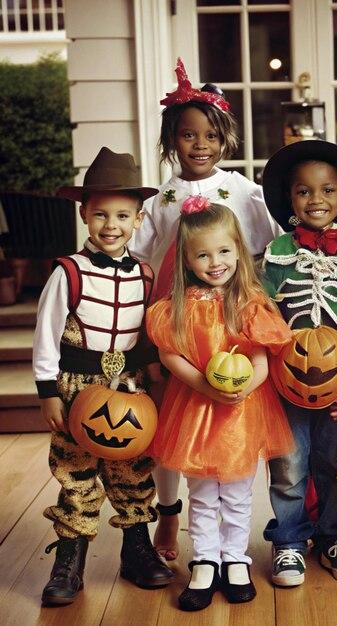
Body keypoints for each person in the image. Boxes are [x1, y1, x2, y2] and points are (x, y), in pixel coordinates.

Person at [132, 58, 281, 561]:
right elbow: (142, 261)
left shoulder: (242, 190)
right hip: (174, 323)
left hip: (228, 325)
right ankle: (170, 516)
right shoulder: (159, 199)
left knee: (222, 427)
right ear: (171, 139)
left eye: (210, 135)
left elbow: (258, 251)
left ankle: (228, 546)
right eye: (188, 135)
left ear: (225, 139)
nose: (200, 145)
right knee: (173, 424)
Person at [33, 147, 174, 606]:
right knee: (76, 473)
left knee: (132, 470)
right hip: (78, 387)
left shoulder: (146, 275)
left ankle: (136, 551)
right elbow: (47, 335)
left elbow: (146, 332)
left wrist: (154, 375)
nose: (110, 225)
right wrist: (47, 392)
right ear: (84, 214)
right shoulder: (68, 273)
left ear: (137, 219)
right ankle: (69, 561)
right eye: (100, 215)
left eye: (122, 215)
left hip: (130, 388)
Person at [146, 199, 293, 611]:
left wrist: (242, 390)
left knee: (238, 493)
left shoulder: (249, 302)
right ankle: (205, 559)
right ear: (186, 260)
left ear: (239, 251)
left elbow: (262, 359)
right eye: (203, 254)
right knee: (203, 492)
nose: (215, 262)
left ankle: (235, 559)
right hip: (196, 407)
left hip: (243, 413)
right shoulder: (176, 307)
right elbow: (171, 357)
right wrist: (206, 388)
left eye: (224, 251)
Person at [261, 140, 337, 587]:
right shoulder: (276, 255)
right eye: (304, 192)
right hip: (286, 385)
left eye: (327, 191)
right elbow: (260, 316)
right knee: (288, 465)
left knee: (335, 461)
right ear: (290, 199)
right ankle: (289, 540)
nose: (317, 200)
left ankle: (334, 537)